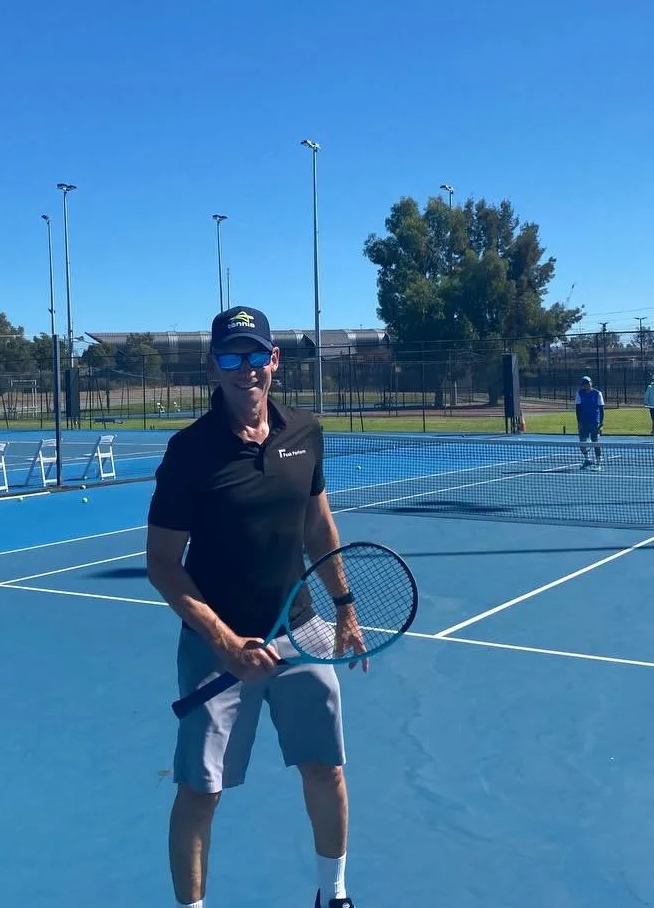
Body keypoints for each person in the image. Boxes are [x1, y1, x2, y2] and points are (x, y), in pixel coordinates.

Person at [146, 305, 364, 908]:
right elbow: (162, 562)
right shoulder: (188, 452)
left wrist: (343, 605)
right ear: (214, 367)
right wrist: (224, 643)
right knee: (200, 791)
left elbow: (318, 525)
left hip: (302, 631)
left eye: (255, 355)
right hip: (219, 650)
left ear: (275, 360)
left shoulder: (305, 433)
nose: (245, 369)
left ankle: (334, 896)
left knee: (326, 769)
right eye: (230, 357)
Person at [574, 375, 605, 469]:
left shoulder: (597, 393)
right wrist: (579, 422)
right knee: (582, 443)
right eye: (584, 384)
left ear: (591, 383)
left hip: (594, 422)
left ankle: (598, 463)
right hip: (583, 422)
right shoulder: (579, 393)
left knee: (596, 442)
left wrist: (601, 423)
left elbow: (602, 409)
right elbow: (578, 409)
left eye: (587, 383)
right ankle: (587, 460)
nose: (586, 385)